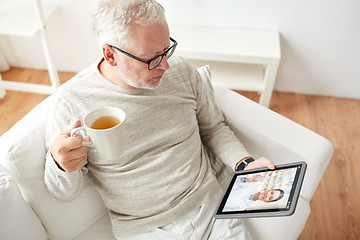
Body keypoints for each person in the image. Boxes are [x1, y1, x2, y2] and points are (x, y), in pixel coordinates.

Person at [44, 0, 275, 239]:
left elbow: (213, 127)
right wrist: (60, 164)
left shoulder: (181, 70)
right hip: (146, 229)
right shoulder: (72, 102)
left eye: (166, 49)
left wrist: (245, 164)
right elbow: (63, 193)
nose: (165, 65)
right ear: (110, 54)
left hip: (210, 207)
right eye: (152, 58)